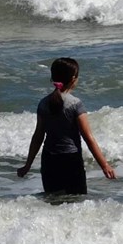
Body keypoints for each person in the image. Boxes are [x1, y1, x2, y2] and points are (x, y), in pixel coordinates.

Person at [17, 57, 116, 195]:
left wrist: (28, 165)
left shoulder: (43, 103)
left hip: (49, 161)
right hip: (71, 161)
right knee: (76, 203)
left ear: (53, 78)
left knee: (53, 203)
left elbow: (38, 136)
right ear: (74, 78)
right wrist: (104, 165)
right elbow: (88, 137)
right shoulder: (75, 104)